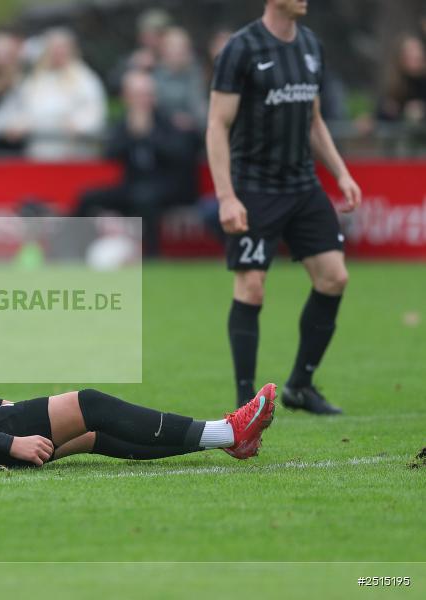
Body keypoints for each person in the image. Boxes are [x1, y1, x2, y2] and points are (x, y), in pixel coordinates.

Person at [0, 221, 277, 471]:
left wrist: (1, 404)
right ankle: (228, 431)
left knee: (90, 432)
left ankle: (226, 441)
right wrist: (10, 443)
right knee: (88, 403)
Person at [207, 0, 362, 413]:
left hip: (303, 185)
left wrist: (341, 173)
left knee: (334, 277)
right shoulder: (241, 48)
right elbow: (217, 125)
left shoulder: (311, 44)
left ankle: (300, 385)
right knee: (251, 287)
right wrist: (226, 196)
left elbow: (314, 120)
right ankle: (244, 404)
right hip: (254, 188)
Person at [74, 71, 197, 257]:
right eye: (138, 95)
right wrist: (132, 135)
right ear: (127, 97)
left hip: (169, 188)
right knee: (87, 197)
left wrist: (149, 135)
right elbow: (110, 153)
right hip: (133, 186)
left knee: (145, 198)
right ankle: (76, 252)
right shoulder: (124, 123)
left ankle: (150, 256)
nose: (144, 100)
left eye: (147, 94)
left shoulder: (170, 121)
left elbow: (181, 154)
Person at [11, 28, 106, 161]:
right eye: (53, 47)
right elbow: (22, 108)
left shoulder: (85, 79)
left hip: (72, 153)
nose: (57, 52)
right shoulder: (36, 80)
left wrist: (80, 124)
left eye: (62, 47)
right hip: (39, 151)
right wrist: (20, 123)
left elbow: (94, 110)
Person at [152, 27, 208, 133]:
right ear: (163, 49)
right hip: (161, 131)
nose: (179, 51)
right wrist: (172, 118)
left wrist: (193, 120)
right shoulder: (154, 74)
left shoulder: (195, 73)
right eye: (173, 47)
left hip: (191, 131)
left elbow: (198, 104)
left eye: (183, 47)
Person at [377, 34, 426, 124]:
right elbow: (383, 112)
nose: (416, 54)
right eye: (410, 52)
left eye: (418, 50)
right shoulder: (396, 84)